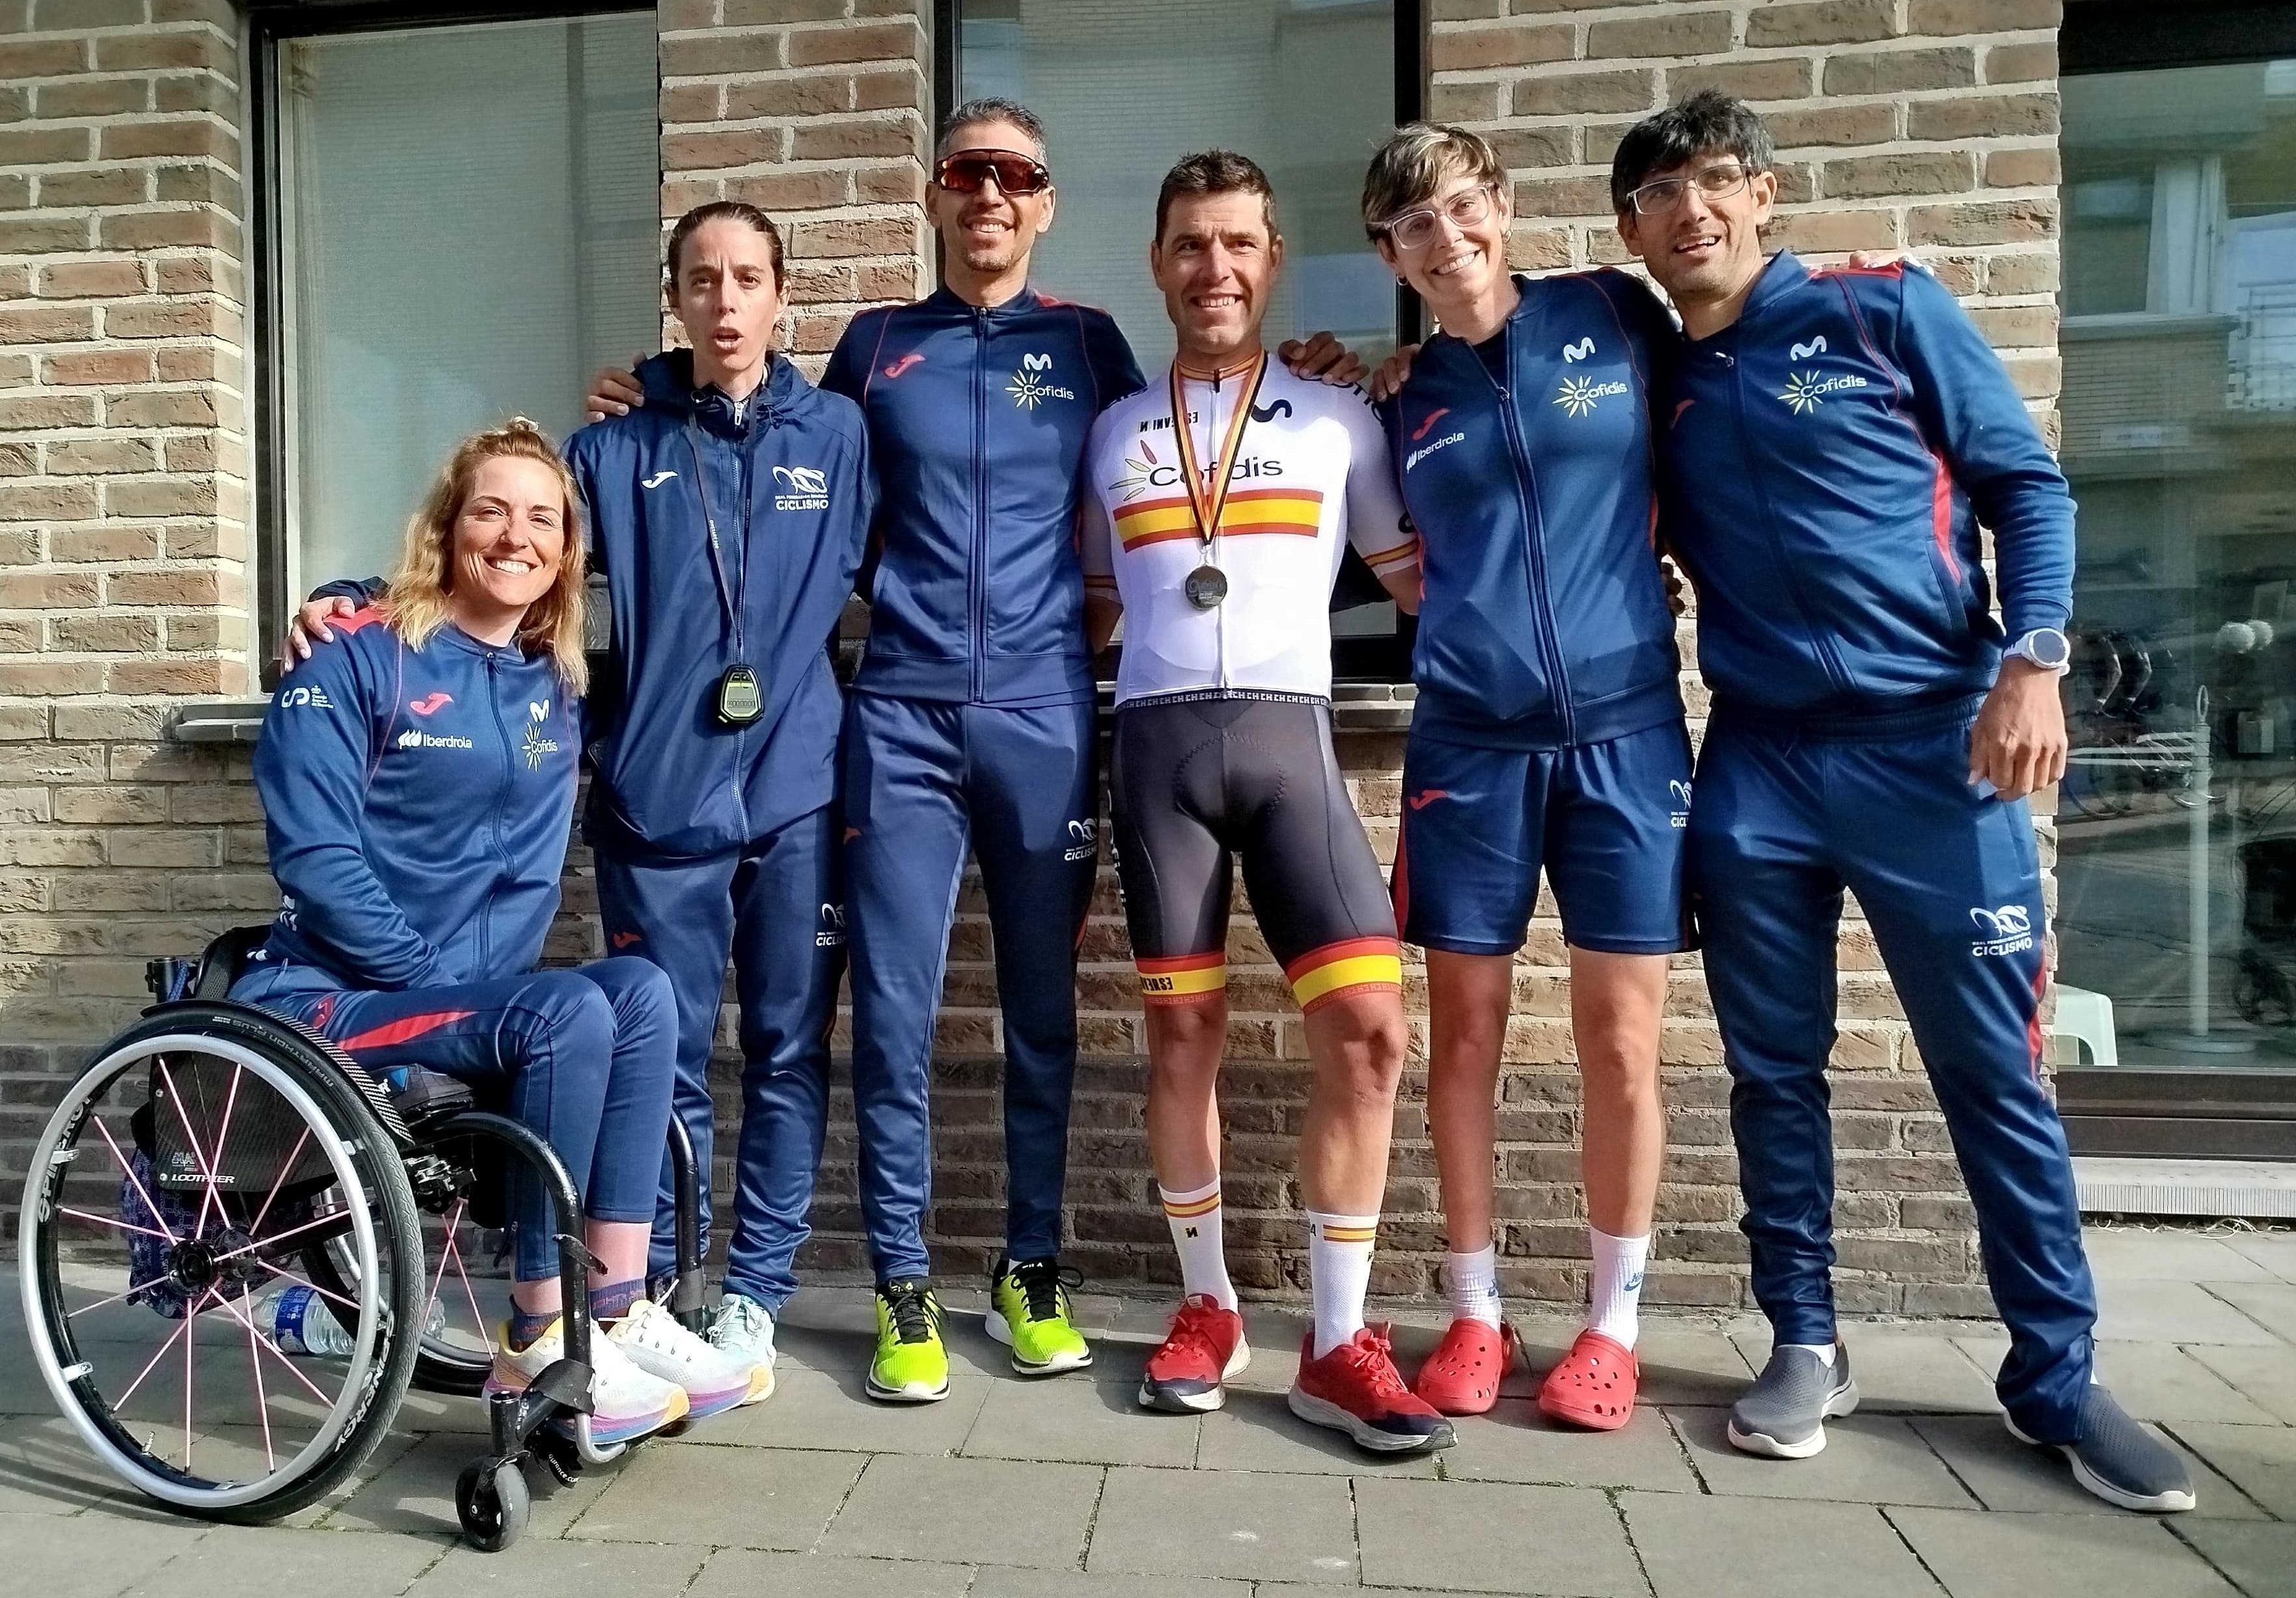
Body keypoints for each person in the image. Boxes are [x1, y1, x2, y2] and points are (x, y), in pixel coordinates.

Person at [582, 100, 1365, 1405]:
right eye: (967, 172)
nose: (990, 193)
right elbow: (773, 431)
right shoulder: (877, 347)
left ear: (1044, 202)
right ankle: (904, 1281)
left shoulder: (1089, 342)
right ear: (936, 196)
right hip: (899, 714)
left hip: (1046, 713)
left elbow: (1185, 431)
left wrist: (1324, 370)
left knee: (1042, 1012)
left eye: (1016, 175)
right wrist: (655, 386)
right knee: (892, 1012)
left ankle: (1031, 1266)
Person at [1613, 90, 2194, 1513]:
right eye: (1658, 195)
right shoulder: (1654, 374)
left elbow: (2025, 485)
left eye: (1714, 181)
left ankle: (2057, 1379)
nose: (1691, 211)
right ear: (1630, 231)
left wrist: (2034, 662)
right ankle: (1806, 1343)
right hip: (1759, 760)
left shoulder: (1882, 309)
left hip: (1937, 750)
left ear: (1763, 193)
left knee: (1994, 1072)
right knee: (1772, 1071)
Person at [283, 203, 874, 1401]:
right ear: (676, 296)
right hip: (657, 800)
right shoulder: (610, 447)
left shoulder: (841, 435)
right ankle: (651, 1290)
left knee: (787, 1049)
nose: (724, 300)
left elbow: (887, 575)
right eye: (701, 278)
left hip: (796, 790)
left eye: (746, 278)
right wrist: (347, 597)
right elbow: (498, 561)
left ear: (781, 295)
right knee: (670, 1047)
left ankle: (751, 1290)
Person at [236, 419, 762, 1444]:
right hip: (332, 998)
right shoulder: (354, 658)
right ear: (446, 527)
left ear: (566, 554)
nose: (516, 536)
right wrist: (339, 595)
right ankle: (537, 1331)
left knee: (641, 992)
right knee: (561, 1012)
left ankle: (615, 1308)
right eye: (490, 511)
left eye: (542, 520)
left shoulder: (551, 682)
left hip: (471, 1006)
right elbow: (316, 859)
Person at [1078, 151, 1447, 1455]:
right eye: (1191, 244)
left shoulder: (1343, 417)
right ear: (1158, 262)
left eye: (1239, 243)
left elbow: (1422, 583)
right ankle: (1209, 1307)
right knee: (1181, 1037)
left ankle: (1337, 1343)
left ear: (1274, 258)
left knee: (1369, 1033)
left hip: (1295, 745)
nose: (1215, 268)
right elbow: (1092, 611)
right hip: (1158, 756)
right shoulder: (1112, 432)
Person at [1359, 123, 1691, 1429]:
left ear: (1499, 204)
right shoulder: (1402, 399)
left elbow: (1701, 439)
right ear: (1389, 255)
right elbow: (1398, 567)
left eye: (1461, 207)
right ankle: (1477, 1309)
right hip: (1470, 745)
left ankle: (1614, 1325)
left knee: (1621, 1038)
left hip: (1627, 732)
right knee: (1466, 1037)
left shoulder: (1612, 313)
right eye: (1414, 226)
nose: (1446, 239)